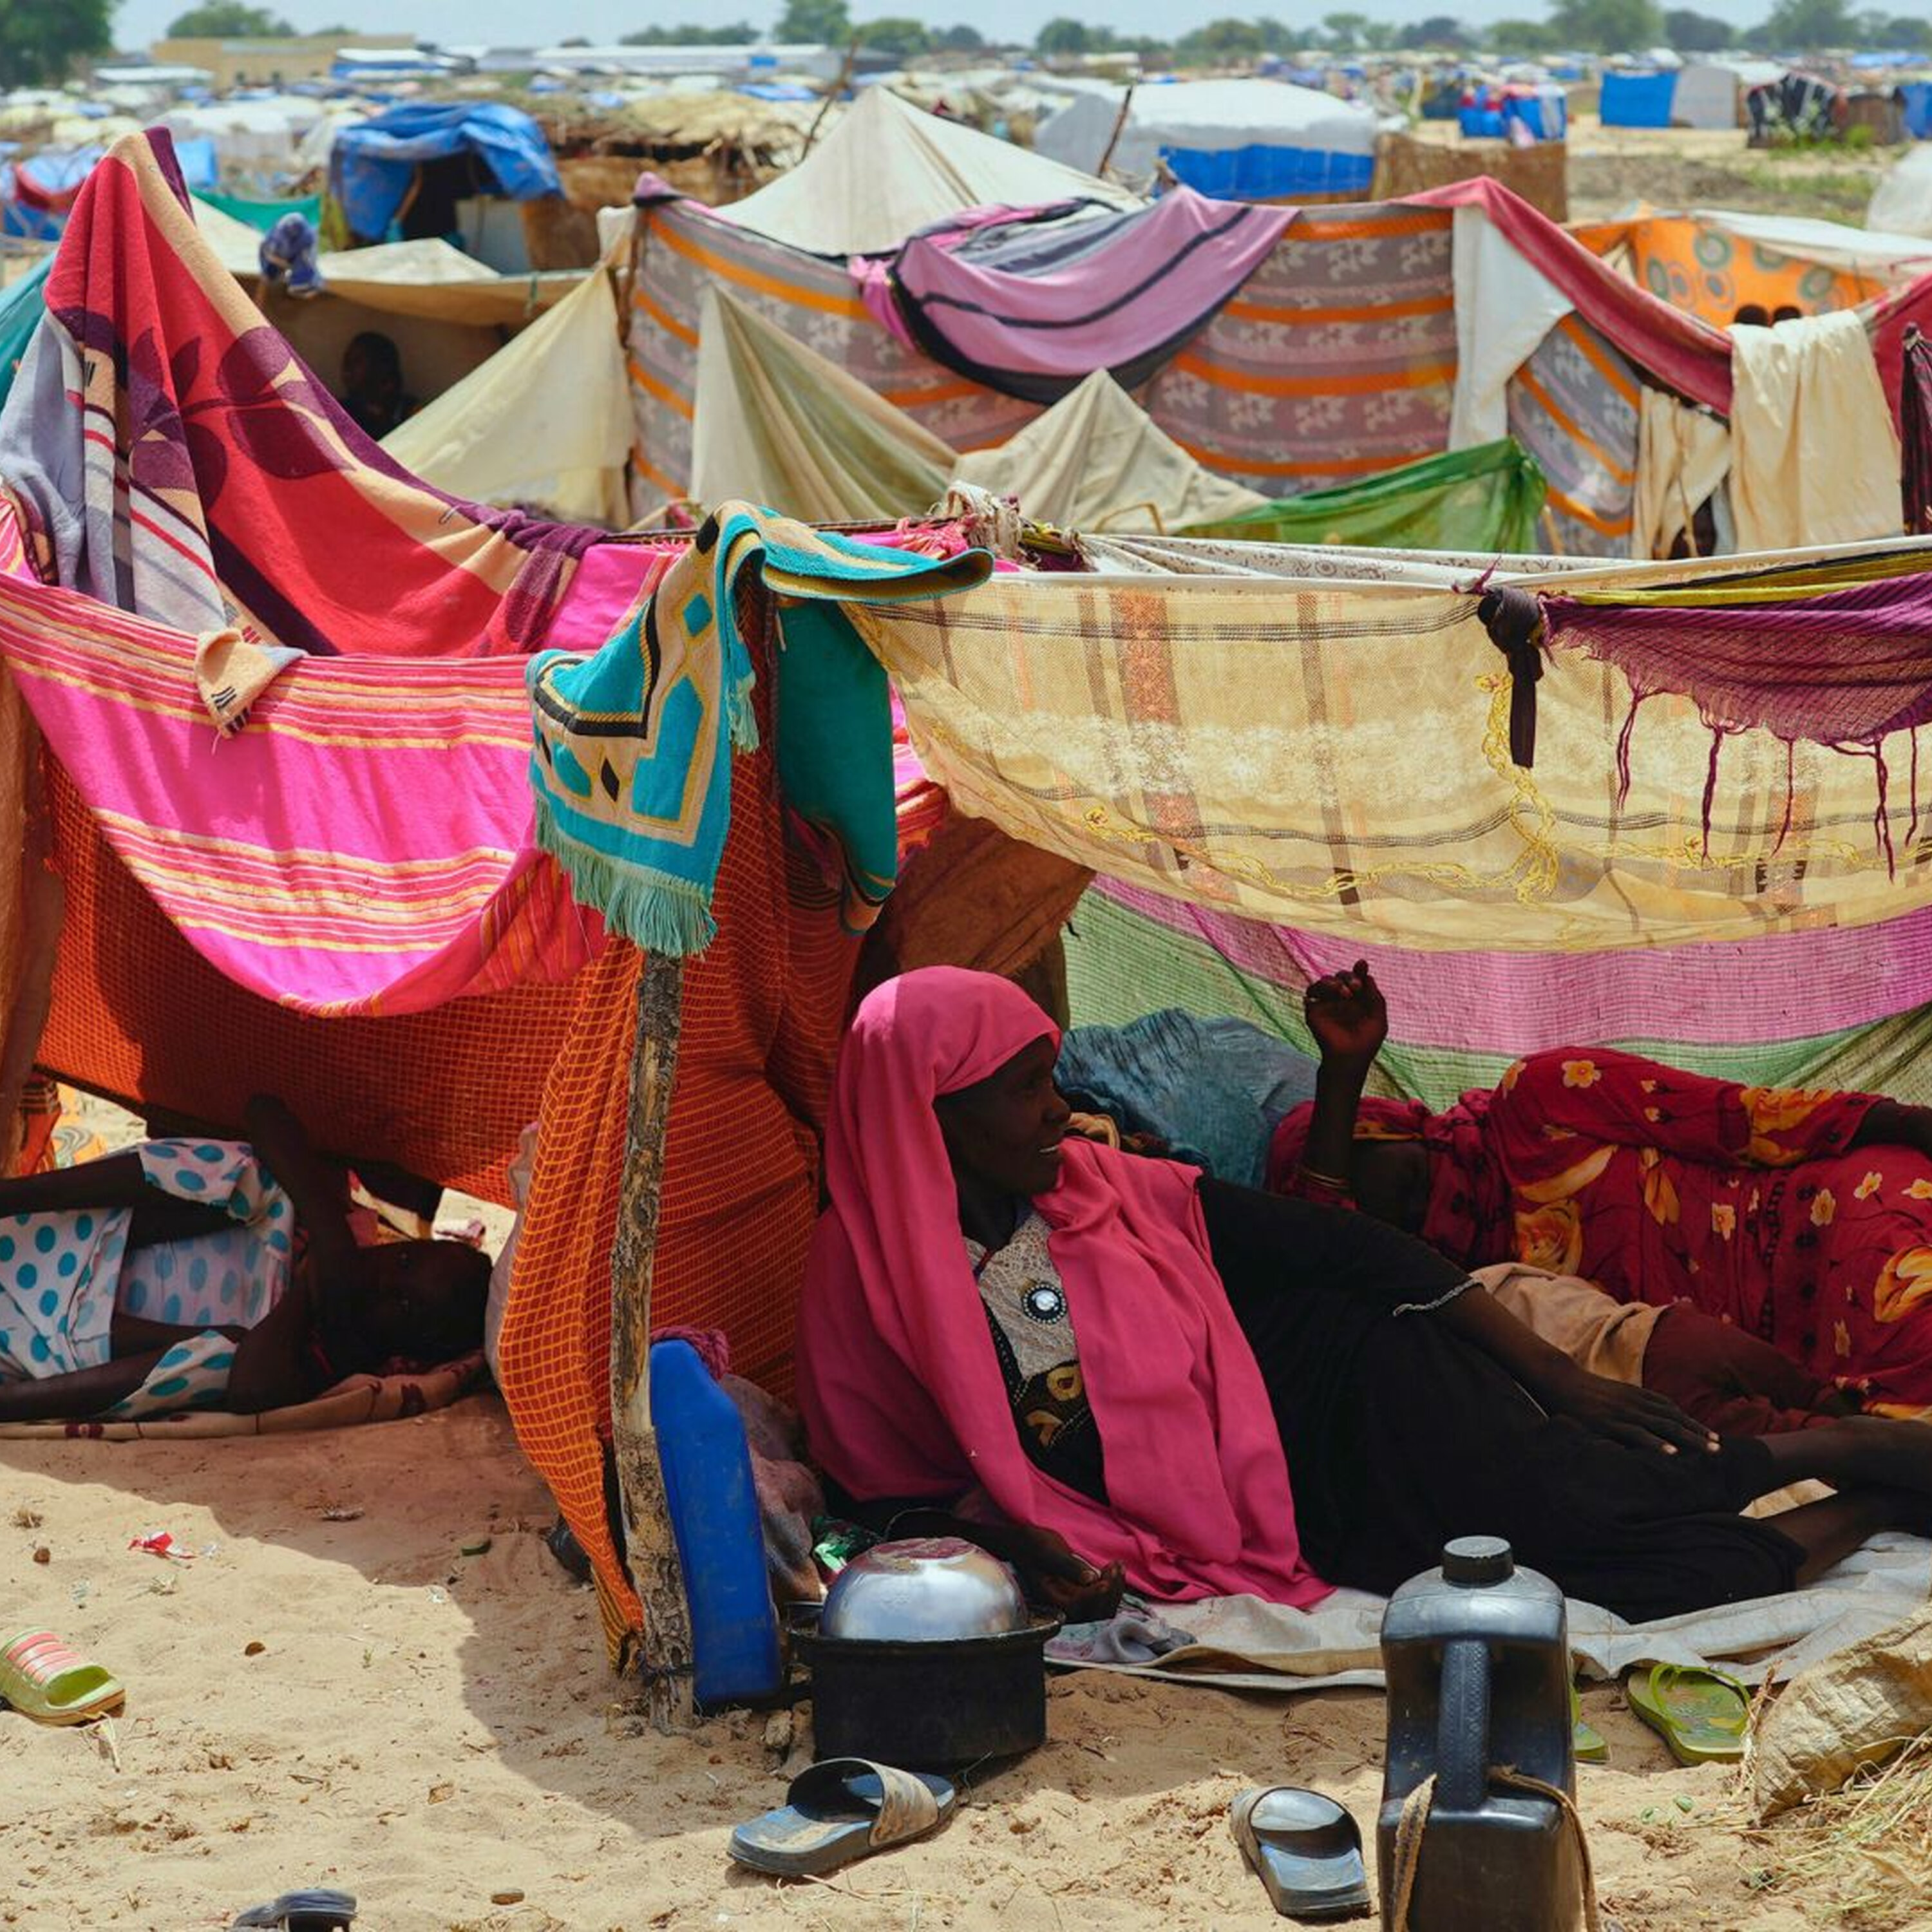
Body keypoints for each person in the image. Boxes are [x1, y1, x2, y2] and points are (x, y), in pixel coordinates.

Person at [797, 968, 1932, 1626]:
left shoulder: (1112, 1187)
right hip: (1297, 1509)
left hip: (1356, 1387)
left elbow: (1358, 1256)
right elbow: (891, 1495)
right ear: (927, 1118)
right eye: (1024, 1091)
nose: (1058, 1112)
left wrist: (1555, 1377)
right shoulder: (867, 1290)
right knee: (1593, 1597)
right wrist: (1029, 1548)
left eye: (1053, 1081)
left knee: (1592, 1500)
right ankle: (1881, 1501)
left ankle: (1833, 1453)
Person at [1269, 961, 1932, 1416]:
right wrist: (1343, 1075)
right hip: (1790, 1345)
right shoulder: (1483, 1310)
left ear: (1396, 1130)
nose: (1424, 1211)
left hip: (1830, 1216)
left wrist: (1911, 1124)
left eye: (1400, 1180)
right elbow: (1334, 1264)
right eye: (1394, 1226)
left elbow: (1741, 1117)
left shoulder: (1539, 1098)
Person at [0, 1095, 487, 1423]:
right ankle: (10, 1196)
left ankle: (15, 1403)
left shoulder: (340, 1352)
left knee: (232, 1355)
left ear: (409, 1354)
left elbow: (254, 1392)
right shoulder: (336, 1220)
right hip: (67, 1241)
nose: (383, 1280)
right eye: (403, 1261)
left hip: (61, 1341)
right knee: (260, 1184)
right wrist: (329, 1233)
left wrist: (309, 1288)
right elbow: (264, 1112)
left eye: (403, 1306)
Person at [338, 332, 417, 439]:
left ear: (382, 367)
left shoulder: (412, 413)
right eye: (347, 361)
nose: (347, 369)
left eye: (357, 361)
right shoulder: (340, 413)